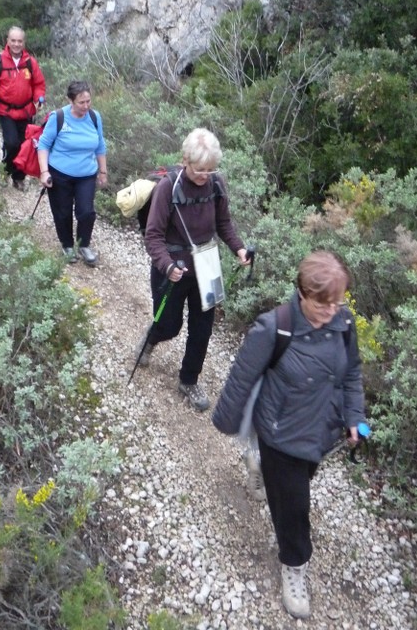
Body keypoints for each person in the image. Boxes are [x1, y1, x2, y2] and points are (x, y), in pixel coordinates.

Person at [212, 250, 366, 619]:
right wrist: (226, 421)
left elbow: (351, 373)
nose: (331, 311)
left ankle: (262, 470)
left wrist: (353, 416)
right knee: (295, 506)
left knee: (295, 485)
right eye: (322, 303)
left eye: (337, 302)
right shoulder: (274, 326)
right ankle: (294, 565)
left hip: (321, 432)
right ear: (302, 293)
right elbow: (242, 377)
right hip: (280, 434)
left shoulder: (343, 323)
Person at [142, 128, 250, 411]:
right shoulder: (168, 187)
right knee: (169, 324)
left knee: (202, 330)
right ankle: (152, 337)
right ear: (185, 160)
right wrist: (166, 266)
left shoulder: (216, 184)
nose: (205, 176)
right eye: (200, 170)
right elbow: (153, 235)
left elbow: (224, 223)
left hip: (208, 263)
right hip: (173, 267)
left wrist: (238, 248)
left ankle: (189, 380)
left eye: (211, 169)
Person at [37, 80, 107, 266]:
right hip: (60, 173)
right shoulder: (58, 117)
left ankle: (84, 245)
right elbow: (43, 145)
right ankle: (67, 245)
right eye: (81, 102)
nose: (85, 106)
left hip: (86, 174)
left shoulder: (94, 117)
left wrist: (103, 171)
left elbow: (100, 145)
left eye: (88, 101)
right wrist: (44, 172)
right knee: (62, 212)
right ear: (70, 101)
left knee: (86, 212)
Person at [0, 26, 46, 190]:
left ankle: (18, 177)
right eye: (13, 40)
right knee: (11, 143)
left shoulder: (30, 62)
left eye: (19, 41)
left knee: (24, 146)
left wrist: (39, 99)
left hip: (26, 111)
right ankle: (6, 170)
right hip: (5, 111)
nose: (16, 44)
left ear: (24, 43)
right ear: (7, 41)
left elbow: (39, 84)